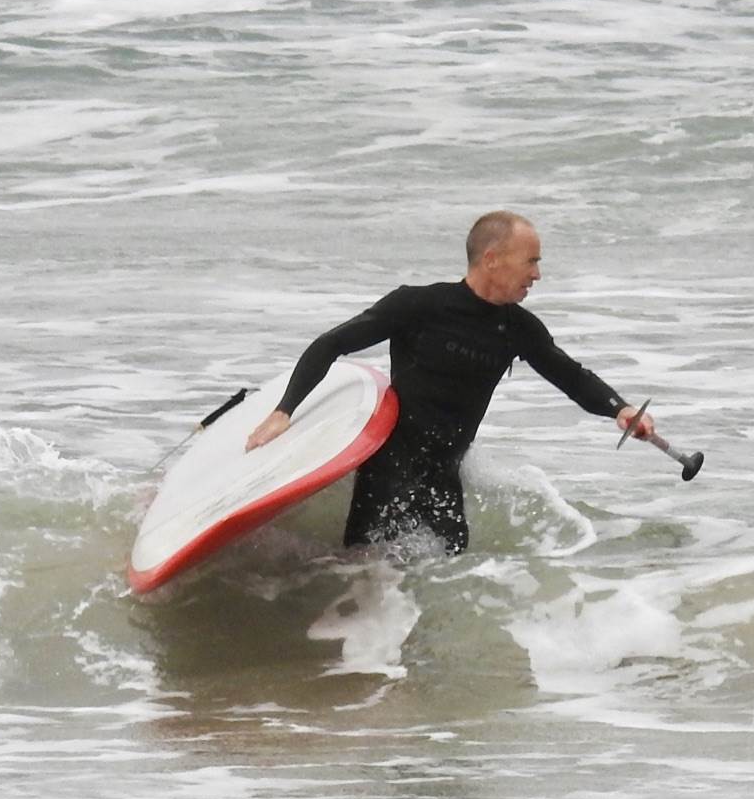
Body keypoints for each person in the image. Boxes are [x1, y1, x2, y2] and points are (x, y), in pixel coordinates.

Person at [245, 210, 657, 553]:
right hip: (388, 471)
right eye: (530, 261)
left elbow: (570, 376)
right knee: (360, 571)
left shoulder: (519, 328)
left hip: (443, 478)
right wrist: (284, 411)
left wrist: (619, 409)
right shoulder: (420, 305)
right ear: (491, 259)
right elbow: (331, 343)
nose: (537, 274)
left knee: (451, 577)